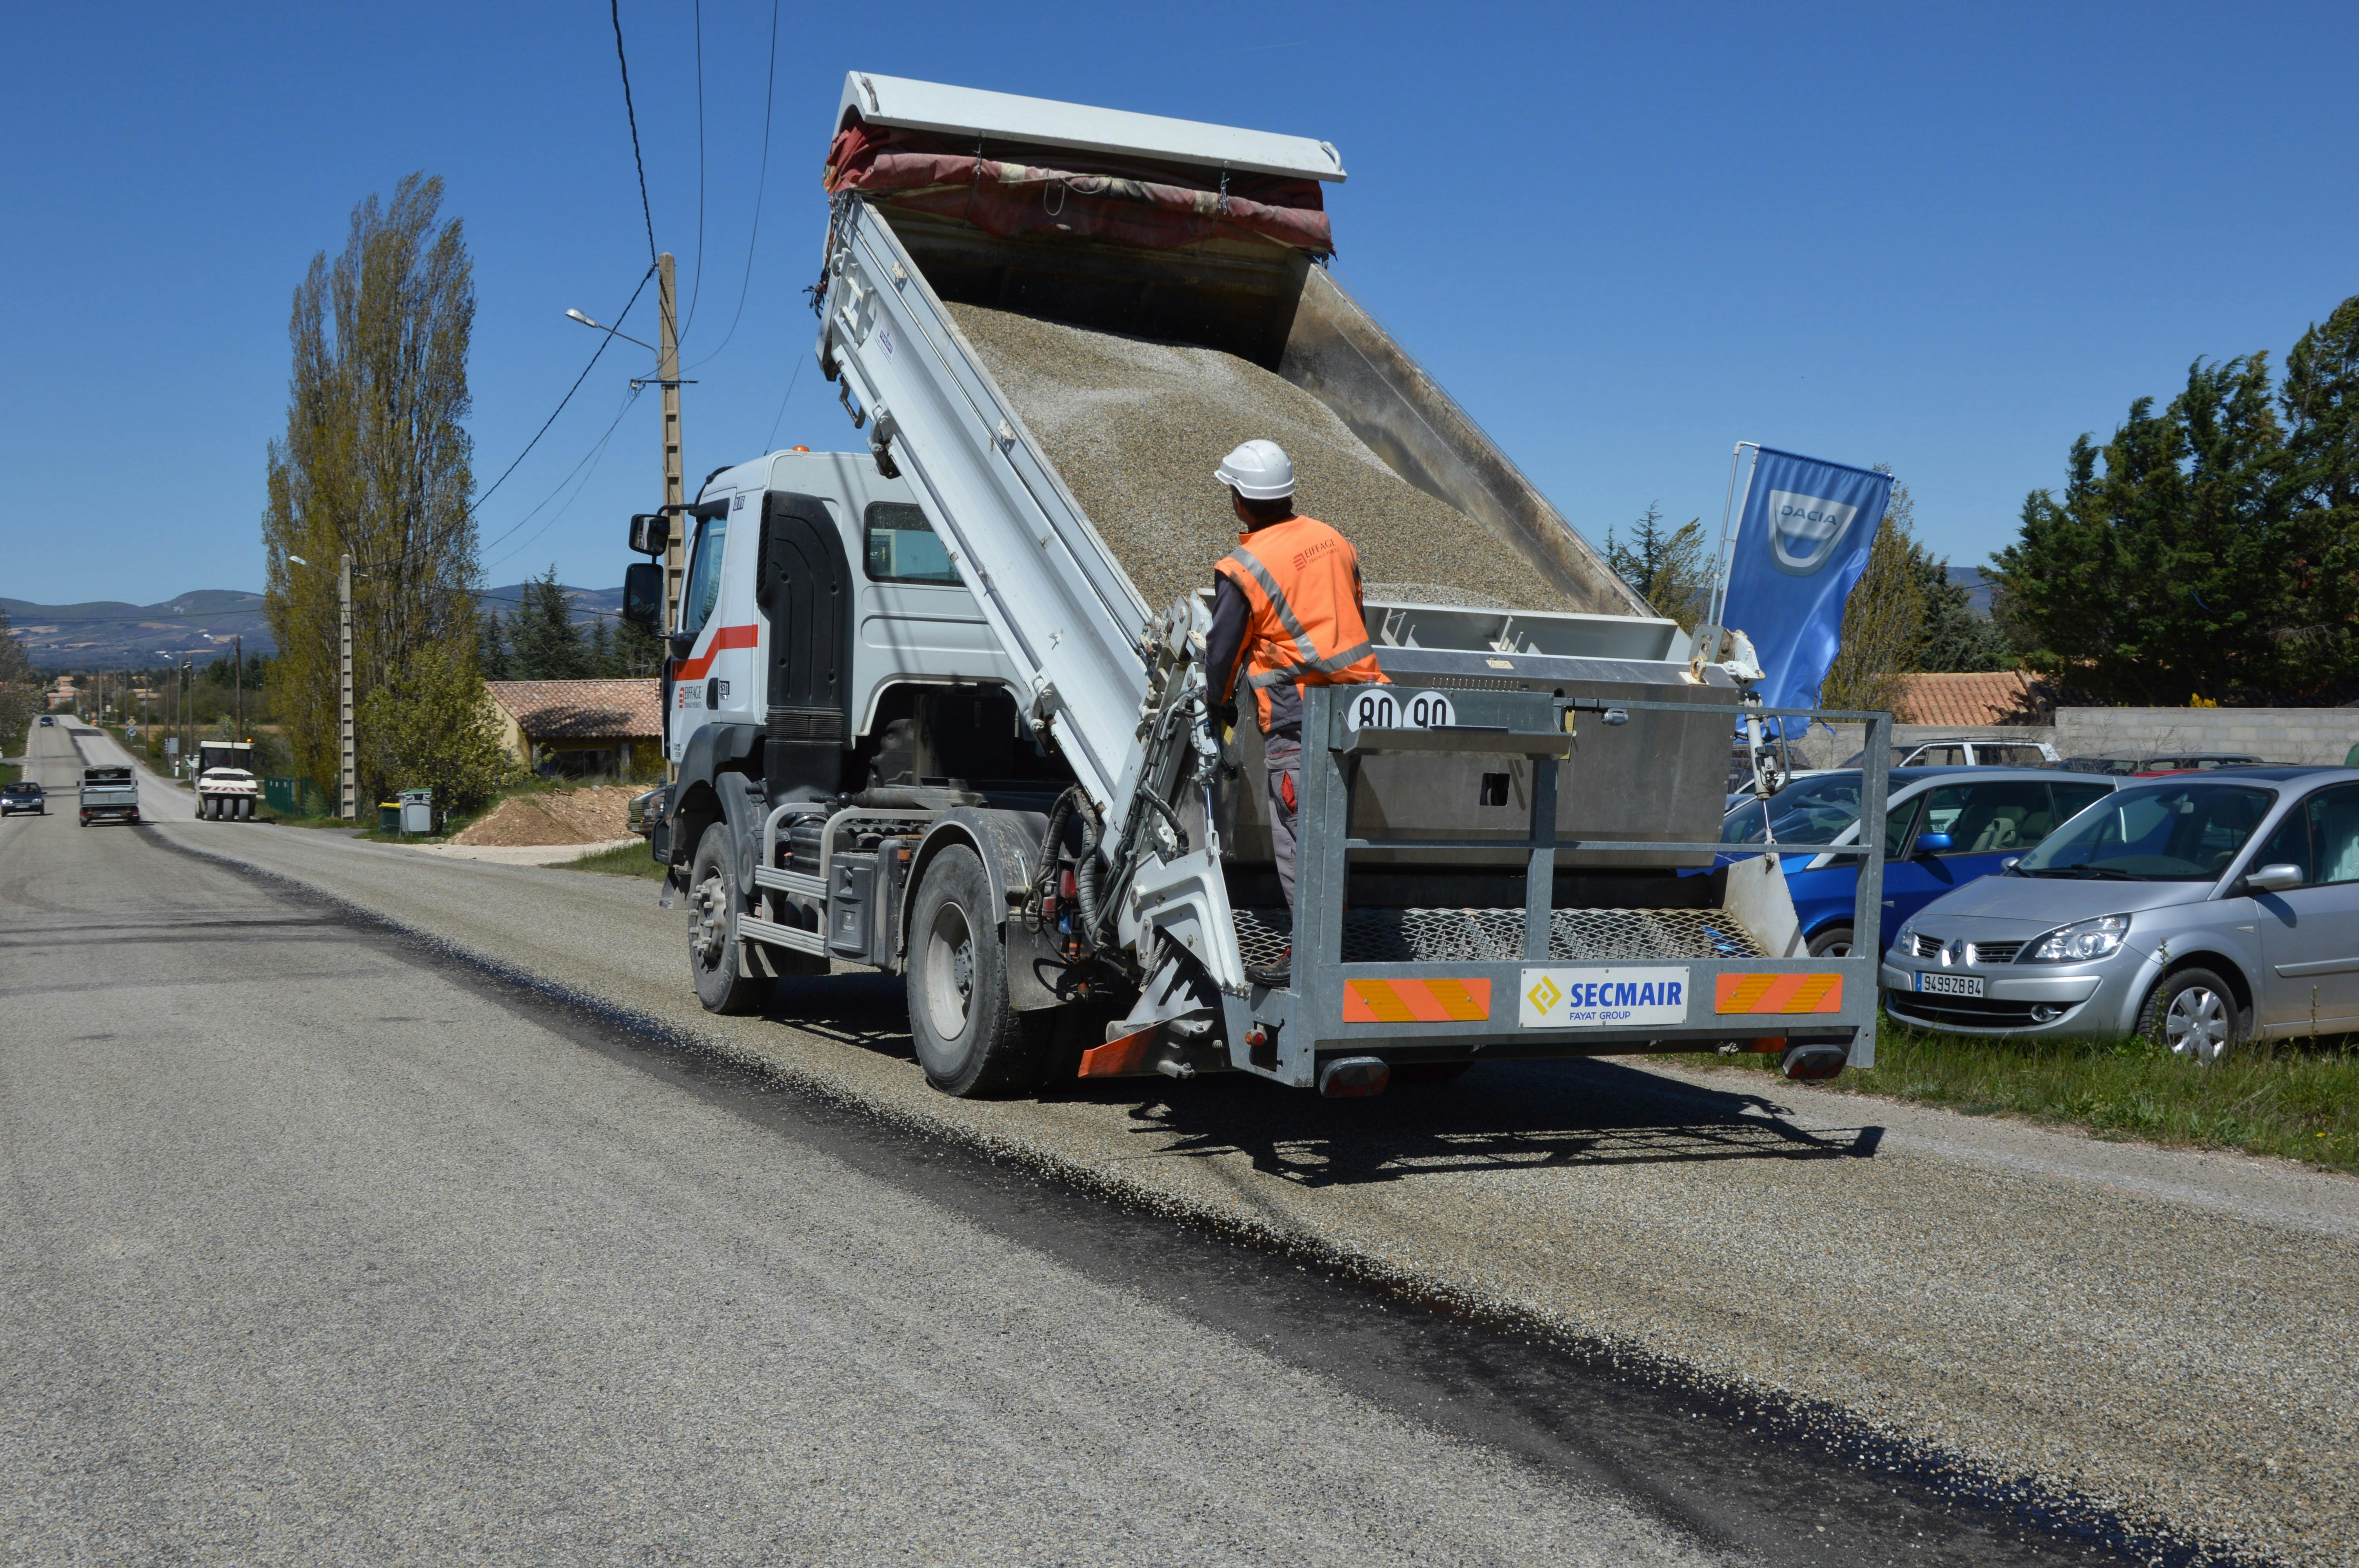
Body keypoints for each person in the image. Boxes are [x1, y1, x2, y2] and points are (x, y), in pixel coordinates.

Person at [1203, 440, 1389, 974]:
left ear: (1239, 500)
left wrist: (1217, 704)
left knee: (1299, 843)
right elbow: (1345, 614)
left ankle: (1311, 956)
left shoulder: (1245, 567)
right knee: (1329, 839)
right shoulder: (1335, 541)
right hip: (1355, 713)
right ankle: (1331, 942)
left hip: (1297, 721)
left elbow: (1223, 653)